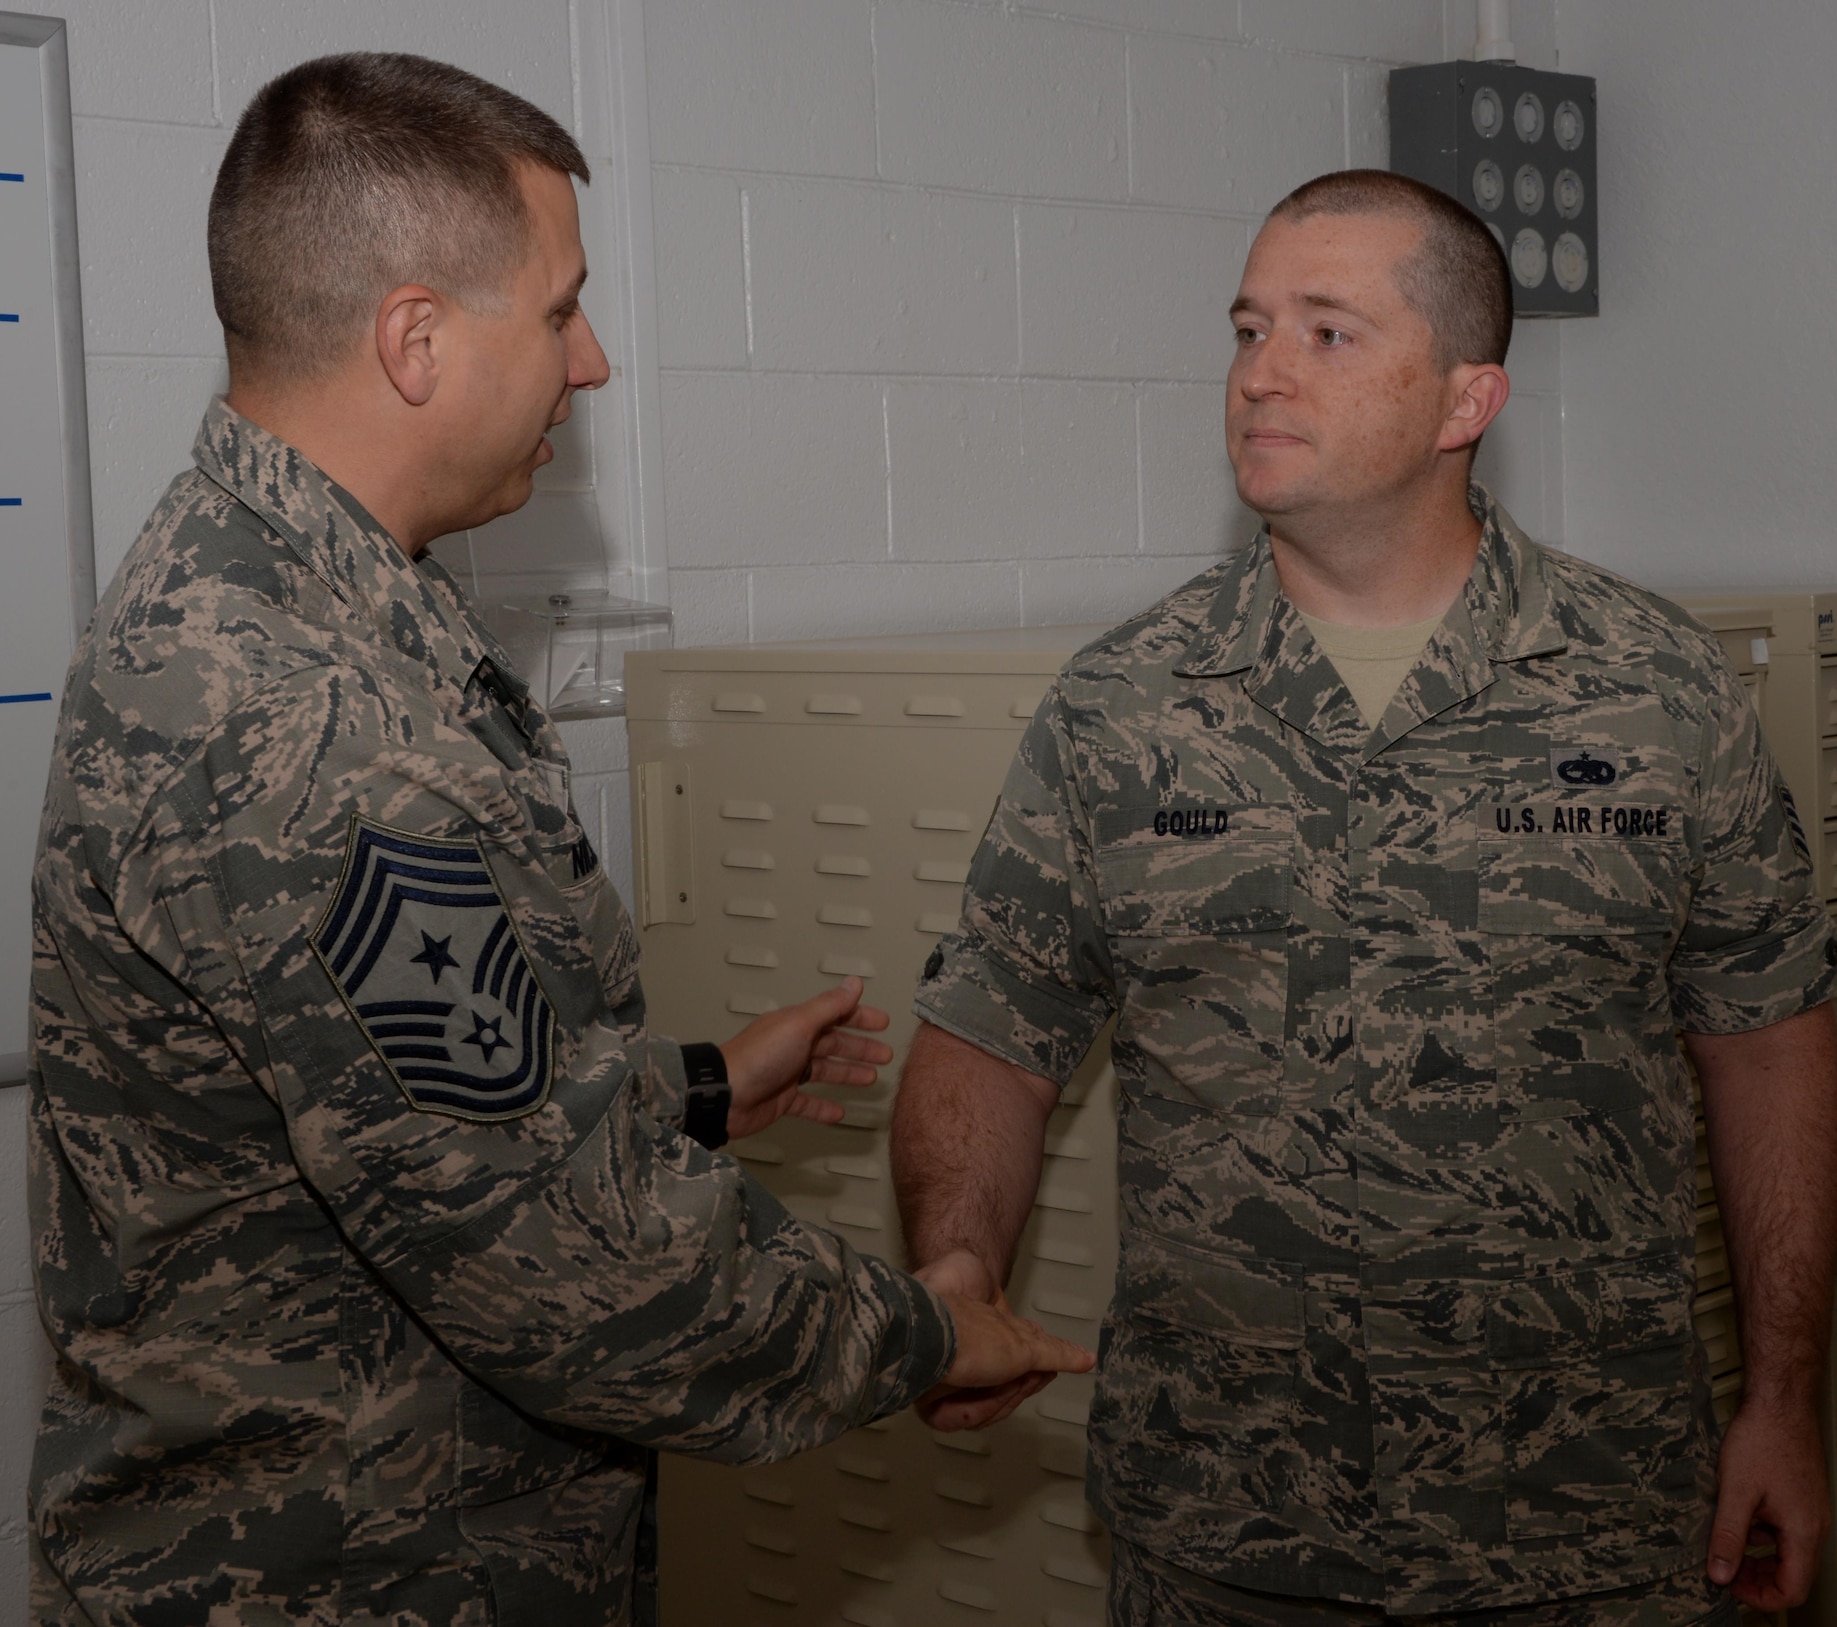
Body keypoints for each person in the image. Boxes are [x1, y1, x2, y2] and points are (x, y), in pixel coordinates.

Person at [27, 52, 1090, 1626]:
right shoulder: (308, 726)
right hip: (355, 1579)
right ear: (414, 339)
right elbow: (584, 1269)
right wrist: (927, 1333)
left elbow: (381, 1088)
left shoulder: (267, 588)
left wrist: (699, 1086)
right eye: (560, 308)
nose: (589, 363)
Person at [894, 169, 1837, 1627]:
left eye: (1329, 333)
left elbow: (1768, 1042)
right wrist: (957, 1267)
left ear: (1467, 400)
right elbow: (993, 1030)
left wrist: (1785, 1399)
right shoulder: (1121, 708)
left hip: (1582, 1525)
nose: (1261, 371)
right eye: (1248, 327)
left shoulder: (1658, 689)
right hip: (1225, 1527)